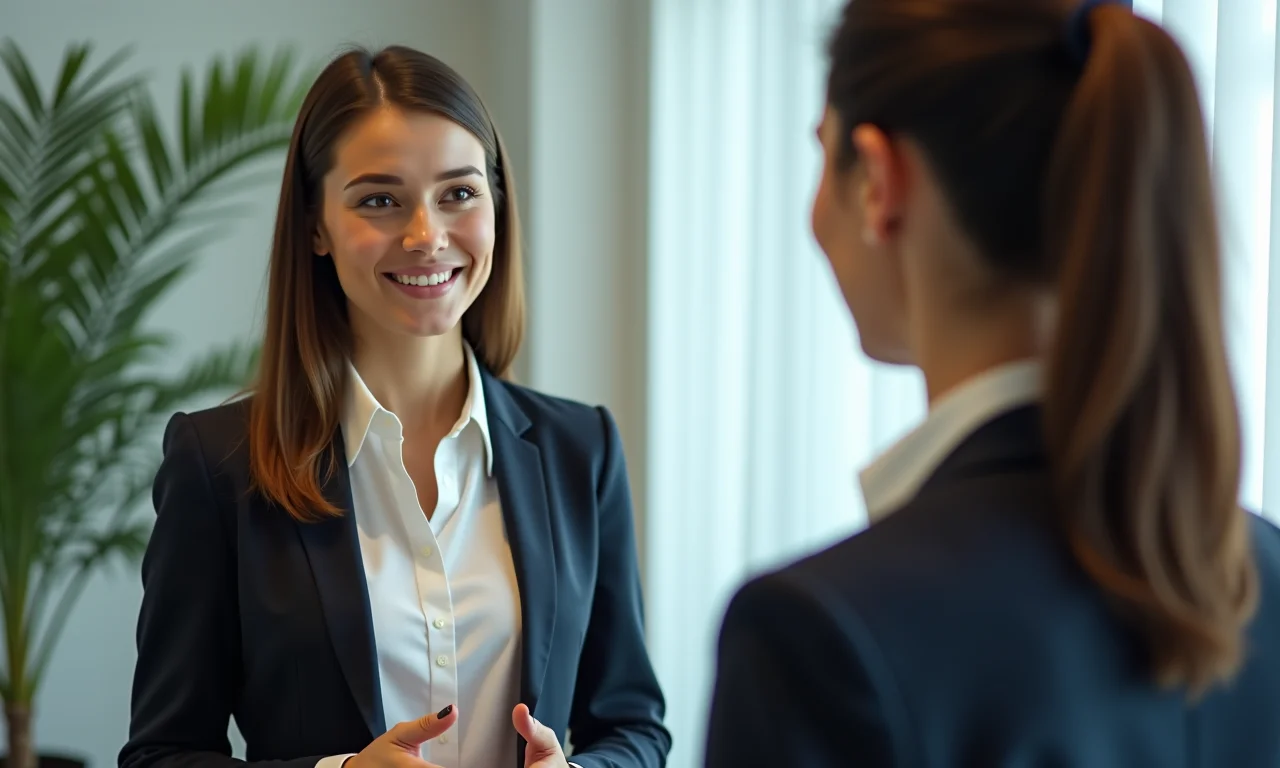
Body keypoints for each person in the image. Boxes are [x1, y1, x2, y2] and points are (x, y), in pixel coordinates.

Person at [704, 0, 1280, 765]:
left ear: (878, 180)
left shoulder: (818, 636)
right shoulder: (1263, 575)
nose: (814, 214)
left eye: (822, 153)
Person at [119, 46, 669, 768]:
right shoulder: (218, 465)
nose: (426, 235)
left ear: (497, 206)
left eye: (459, 193)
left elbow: (633, 727)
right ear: (315, 226)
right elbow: (161, 754)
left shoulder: (581, 449)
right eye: (380, 199)